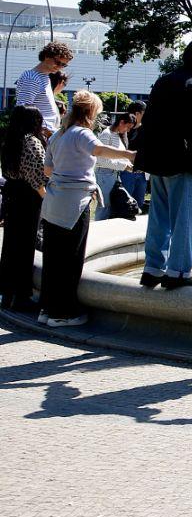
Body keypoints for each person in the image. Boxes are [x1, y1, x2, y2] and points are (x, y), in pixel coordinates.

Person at [39, 90, 136, 326]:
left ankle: (47, 310)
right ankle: (63, 313)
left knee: (52, 258)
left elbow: (47, 170)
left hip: (53, 201)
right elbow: (99, 150)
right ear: (91, 112)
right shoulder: (82, 134)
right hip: (75, 202)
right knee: (71, 259)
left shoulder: (59, 135)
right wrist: (129, 155)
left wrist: (65, 174)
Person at [135, 38, 192, 290]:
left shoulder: (163, 81)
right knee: (188, 219)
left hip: (156, 161)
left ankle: (152, 269)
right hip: (181, 161)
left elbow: (148, 120)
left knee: (158, 217)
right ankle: (178, 273)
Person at [0, 106, 46, 314]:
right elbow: (37, 177)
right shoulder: (32, 143)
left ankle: (7, 294)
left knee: (10, 245)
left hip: (11, 195)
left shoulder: (10, 141)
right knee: (25, 247)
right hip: (28, 199)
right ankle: (21, 296)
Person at [15, 41, 72, 135]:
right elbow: (23, 110)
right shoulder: (31, 77)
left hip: (45, 136)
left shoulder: (45, 77)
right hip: (38, 136)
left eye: (64, 65)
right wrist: (42, 132)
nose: (60, 67)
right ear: (46, 56)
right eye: (58, 62)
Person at [94, 112, 135, 220]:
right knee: (104, 206)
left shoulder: (117, 135)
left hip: (114, 174)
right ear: (121, 122)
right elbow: (101, 160)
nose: (128, 130)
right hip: (104, 173)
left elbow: (118, 155)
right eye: (128, 127)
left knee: (112, 205)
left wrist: (129, 165)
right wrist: (124, 166)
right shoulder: (107, 134)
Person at [119, 100, 148, 212]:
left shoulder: (146, 130)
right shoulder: (124, 130)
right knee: (125, 205)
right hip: (127, 172)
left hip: (142, 175)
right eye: (144, 113)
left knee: (138, 205)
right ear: (137, 114)